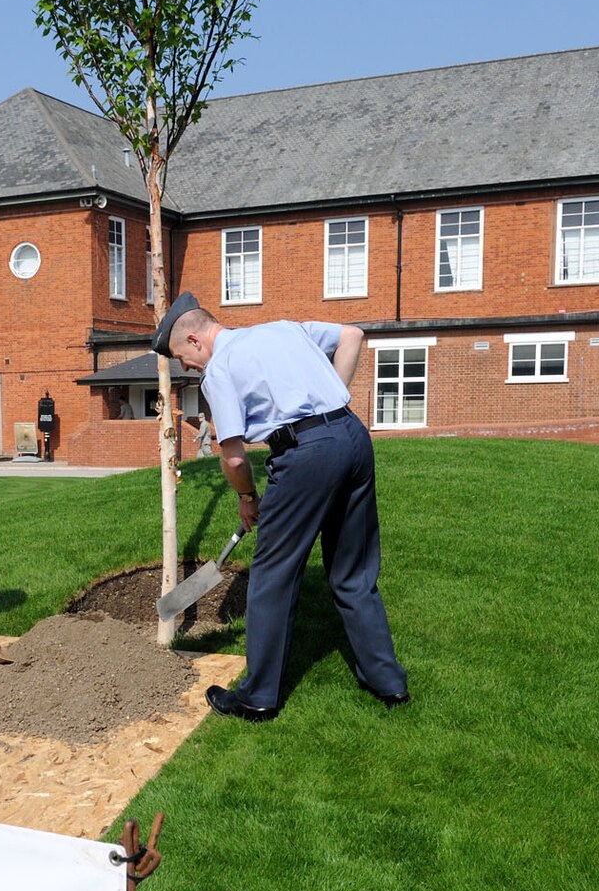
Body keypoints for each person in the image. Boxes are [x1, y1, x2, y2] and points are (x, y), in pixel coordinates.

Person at [152, 291, 408, 721]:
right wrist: (329, 399)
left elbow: (232, 455)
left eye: (182, 358)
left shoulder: (220, 369)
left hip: (307, 455)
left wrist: (247, 498)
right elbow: (352, 335)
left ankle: (258, 696)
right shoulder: (285, 329)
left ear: (196, 340)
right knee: (352, 572)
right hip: (352, 436)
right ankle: (388, 683)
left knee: (271, 575)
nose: (186, 367)